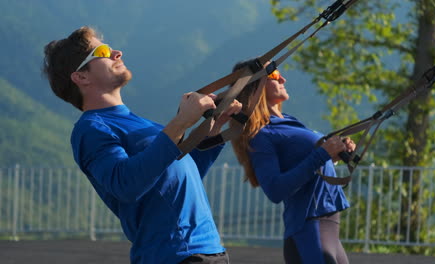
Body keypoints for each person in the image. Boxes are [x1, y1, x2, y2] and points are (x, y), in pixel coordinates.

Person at [42, 26, 242, 264]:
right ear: (81, 77)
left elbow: (179, 175)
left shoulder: (139, 122)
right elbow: (125, 184)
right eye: (103, 51)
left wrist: (214, 130)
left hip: (209, 251)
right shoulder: (91, 129)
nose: (117, 52)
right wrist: (180, 122)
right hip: (174, 256)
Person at [230, 59, 355, 264]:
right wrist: (322, 155)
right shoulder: (262, 136)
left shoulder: (286, 122)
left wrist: (333, 154)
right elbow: (275, 190)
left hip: (327, 226)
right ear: (256, 86)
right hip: (309, 229)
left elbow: (309, 165)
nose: (283, 79)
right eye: (274, 75)